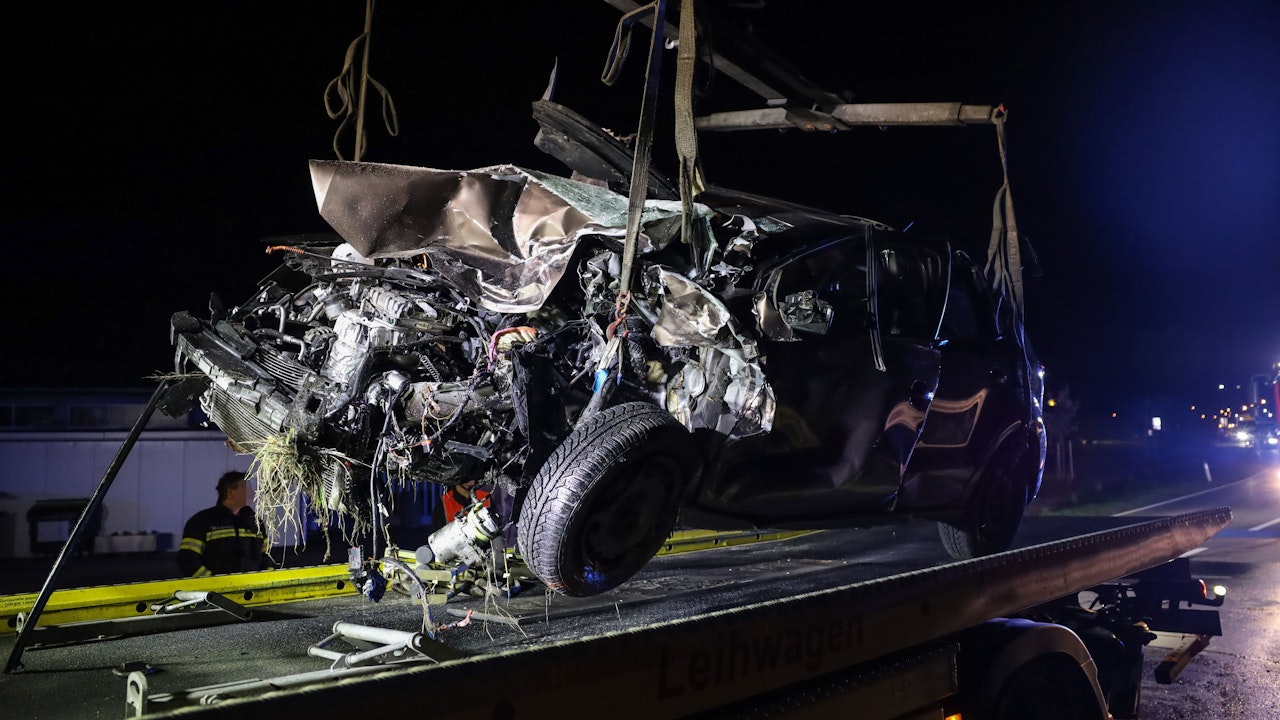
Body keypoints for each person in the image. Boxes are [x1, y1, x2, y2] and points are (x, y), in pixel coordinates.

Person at [178, 471, 275, 576]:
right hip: (216, 591)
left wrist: (264, 581)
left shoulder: (255, 522)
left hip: (252, 590)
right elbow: (188, 560)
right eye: (247, 489)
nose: (253, 492)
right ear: (230, 492)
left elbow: (267, 557)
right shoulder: (202, 521)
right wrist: (213, 584)